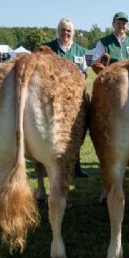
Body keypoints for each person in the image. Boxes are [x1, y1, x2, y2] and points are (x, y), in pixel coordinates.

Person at [42, 18, 89, 177]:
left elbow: (84, 73)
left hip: (74, 99)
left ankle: (75, 164)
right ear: (58, 31)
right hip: (53, 97)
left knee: (78, 130)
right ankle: (49, 164)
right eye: (63, 29)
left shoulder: (79, 50)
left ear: (73, 33)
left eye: (69, 30)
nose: (66, 33)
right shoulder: (47, 48)